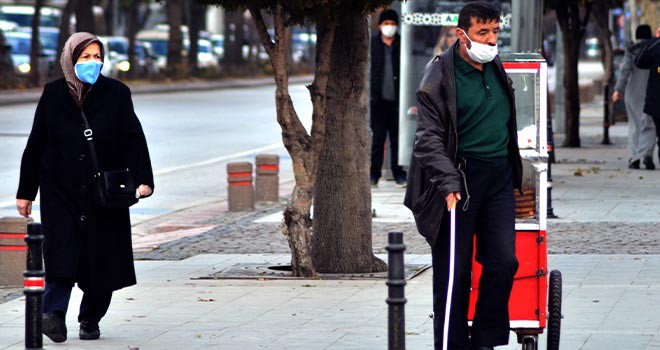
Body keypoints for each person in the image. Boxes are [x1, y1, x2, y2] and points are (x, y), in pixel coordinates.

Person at [16, 32, 154, 343]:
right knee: (61, 253)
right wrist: (26, 191)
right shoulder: (53, 94)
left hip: (103, 191)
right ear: (69, 60)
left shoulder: (117, 93)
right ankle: (53, 316)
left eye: (97, 56)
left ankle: (90, 318)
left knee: (101, 261)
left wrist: (143, 179)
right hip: (60, 189)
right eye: (85, 57)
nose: (93, 62)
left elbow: (133, 137)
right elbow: (36, 144)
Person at [404, 2, 522, 349]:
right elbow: (427, 139)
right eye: (482, 33)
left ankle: (484, 339)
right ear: (461, 34)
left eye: (495, 32)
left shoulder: (495, 63)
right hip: (459, 180)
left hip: (498, 177)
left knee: (504, 261)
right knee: (455, 273)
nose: (491, 39)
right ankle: (451, 343)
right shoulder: (438, 75)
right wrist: (448, 181)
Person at [370, 8, 407, 187]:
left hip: (398, 101)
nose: (389, 27)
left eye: (392, 24)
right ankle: (374, 174)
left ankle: (398, 173)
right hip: (378, 101)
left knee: (397, 140)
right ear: (380, 26)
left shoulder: (402, 44)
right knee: (377, 140)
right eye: (386, 24)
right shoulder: (373, 44)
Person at [613, 24, 656, 170]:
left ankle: (635, 158)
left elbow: (624, 71)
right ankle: (647, 154)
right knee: (649, 124)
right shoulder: (654, 48)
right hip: (652, 90)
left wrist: (618, 90)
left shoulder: (631, 50)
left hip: (633, 93)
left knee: (635, 125)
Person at [635, 26, 660, 165]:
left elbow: (639, 62)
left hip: (654, 99)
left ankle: (645, 154)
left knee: (650, 127)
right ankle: (646, 154)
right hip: (653, 98)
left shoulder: (653, 46)